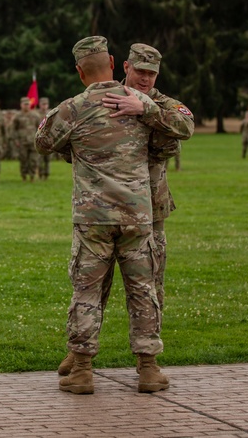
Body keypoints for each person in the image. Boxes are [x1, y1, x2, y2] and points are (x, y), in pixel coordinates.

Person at [35, 36, 168, 395]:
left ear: (79, 71)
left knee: (87, 291)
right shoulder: (141, 103)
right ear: (113, 61)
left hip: (93, 218)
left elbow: (43, 141)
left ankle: (81, 370)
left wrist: (75, 147)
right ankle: (148, 369)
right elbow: (171, 133)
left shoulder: (73, 108)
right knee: (142, 290)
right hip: (137, 217)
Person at [100, 43, 193, 345]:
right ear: (125, 67)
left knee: (150, 286)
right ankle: (81, 354)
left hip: (150, 211)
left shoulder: (163, 104)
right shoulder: (107, 97)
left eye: (151, 73)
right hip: (106, 208)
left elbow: (186, 125)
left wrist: (146, 109)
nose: (145, 78)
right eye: (140, 71)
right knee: (92, 285)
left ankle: (148, 354)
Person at [12, 96, 41, 181]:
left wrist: (39, 139)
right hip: (22, 141)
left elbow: (40, 128)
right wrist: (16, 140)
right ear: (21, 105)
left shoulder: (35, 115)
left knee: (33, 160)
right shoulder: (17, 116)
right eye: (24, 104)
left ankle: (32, 176)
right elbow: (13, 129)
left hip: (33, 141)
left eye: (28, 104)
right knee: (23, 159)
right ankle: (24, 176)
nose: (26, 106)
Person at [36, 98, 51, 179]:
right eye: (43, 104)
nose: (44, 106)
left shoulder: (51, 113)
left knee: (48, 159)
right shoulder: (36, 114)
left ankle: (46, 174)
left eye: (46, 104)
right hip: (39, 139)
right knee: (39, 158)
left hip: (48, 139)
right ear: (40, 104)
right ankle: (40, 173)